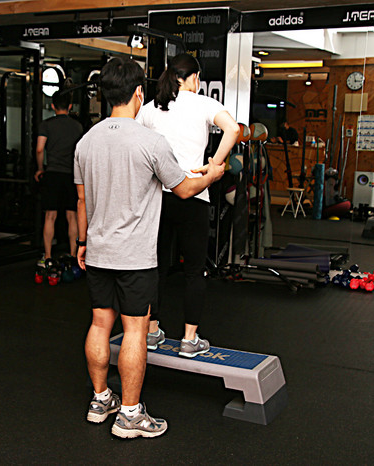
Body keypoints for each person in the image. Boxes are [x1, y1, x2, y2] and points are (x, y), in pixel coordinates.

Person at [75, 57, 225, 439]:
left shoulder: (86, 141)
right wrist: (213, 174)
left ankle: (100, 400)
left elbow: (82, 201)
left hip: (98, 250)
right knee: (135, 330)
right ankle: (129, 415)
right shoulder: (150, 141)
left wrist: (82, 242)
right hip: (134, 258)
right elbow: (185, 189)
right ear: (139, 93)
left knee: (99, 323)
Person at [136, 53, 239, 358]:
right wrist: (214, 164)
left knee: (156, 267)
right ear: (194, 78)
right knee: (194, 271)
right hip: (194, 195)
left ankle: (151, 332)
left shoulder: (151, 107)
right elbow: (233, 129)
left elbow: (136, 142)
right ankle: (189, 340)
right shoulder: (203, 103)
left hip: (159, 197)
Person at [34, 90, 83, 262]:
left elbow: (39, 149)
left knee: (50, 216)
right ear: (70, 106)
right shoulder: (78, 127)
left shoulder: (46, 125)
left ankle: (48, 256)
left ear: (53, 106)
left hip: (52, 173)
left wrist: (40, 168)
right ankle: (73, 255)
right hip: (72, 175)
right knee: (72, 216)